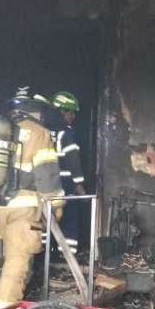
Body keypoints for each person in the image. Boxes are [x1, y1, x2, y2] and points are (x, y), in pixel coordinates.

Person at [0, 90, 64, 309]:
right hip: (24, 208)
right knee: (17, 265)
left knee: (9, 259)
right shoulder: (39, 133)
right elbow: (48, 177)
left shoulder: (4, 127)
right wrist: (57, 209)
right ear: (37, 111)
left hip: (0, 207)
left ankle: (6, 306)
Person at [51, 91, 86, 256]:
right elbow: (73, 160)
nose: (73, 116)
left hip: (46, 187)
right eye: (71, 112)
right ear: (62, 111)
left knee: (46, 221)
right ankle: (67, 257)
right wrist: (79, 185)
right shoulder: (65, 134)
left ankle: (43, 257)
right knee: (70, 219)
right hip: (66, 187)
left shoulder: (43, 131)